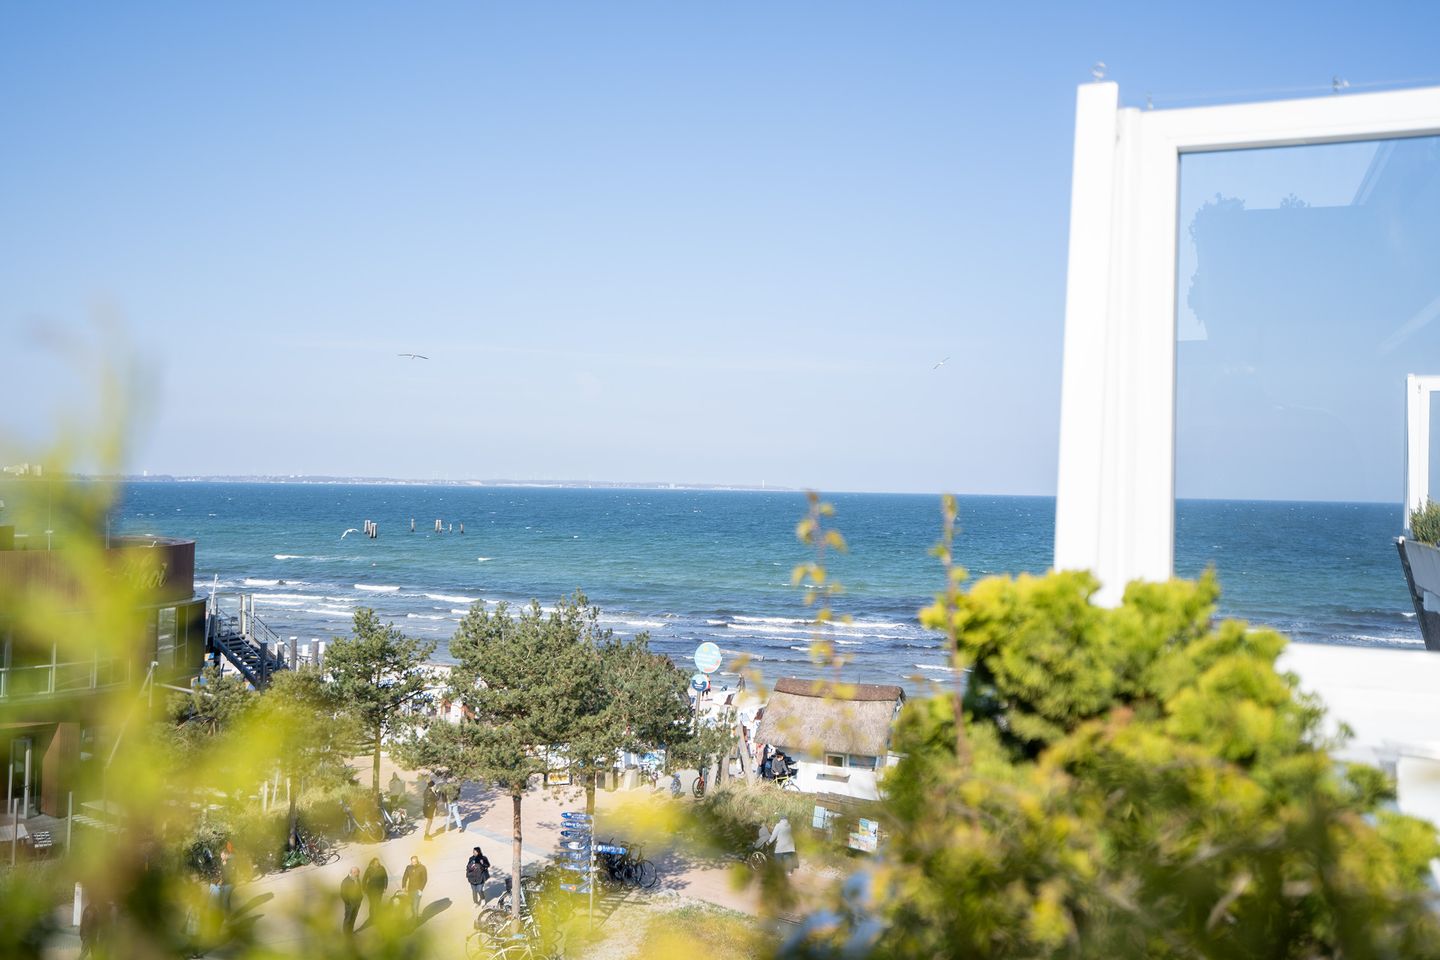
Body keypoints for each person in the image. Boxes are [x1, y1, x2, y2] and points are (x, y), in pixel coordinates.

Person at [401, 855, 428, 922]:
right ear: (411, 861)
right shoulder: (408, 867)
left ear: (417, 861)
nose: (414, 863)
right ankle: (415, 917)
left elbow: (424, 879)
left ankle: (414, 922)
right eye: (413, 862)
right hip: (410, 890)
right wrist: (404, 886)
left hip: (417, 891)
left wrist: (421, 890)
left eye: (415, 862)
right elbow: (405, 877)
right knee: (411, 906)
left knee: (415, 907)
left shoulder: (422, 868)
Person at [363, 857, 388, 923]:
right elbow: (364, 879)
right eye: (376, 863)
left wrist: (385, 887)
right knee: (372, 904)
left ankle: (378, 917)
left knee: (378, 903)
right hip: (371, 890)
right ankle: (371, 917)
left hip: (380, 889)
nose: (378, 864)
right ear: (373, 863)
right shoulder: (369, 869)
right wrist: (364, 889)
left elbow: (385, 877)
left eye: (378, 862)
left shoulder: (382, 868)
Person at [340, 867, 363, 936]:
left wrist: (361, 897)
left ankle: (350, 932)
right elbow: (343, 894)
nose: (358, 874)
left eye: (358, 873)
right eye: (357, 873)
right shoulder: (345, 881)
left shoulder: (357, 879)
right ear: (352, 873)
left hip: (357, 903)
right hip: (350, 904)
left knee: (353, 918)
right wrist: (348, 903)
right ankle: (346, 935)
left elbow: (359, 888)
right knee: (348, 919)